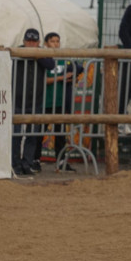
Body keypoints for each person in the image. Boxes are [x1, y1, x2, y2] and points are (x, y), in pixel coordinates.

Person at [12, 29, 54, 177]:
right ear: (23, 41)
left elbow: (51, 65)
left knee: (33, 135)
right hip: (17, 101)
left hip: (36, 100)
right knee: (15, 135)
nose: (31, 44)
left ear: (38, 42)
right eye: (28, 41)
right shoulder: (15, 52)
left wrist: (36, 55)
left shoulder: (41, 53)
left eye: (34, 41)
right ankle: (15, 164)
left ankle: (27, 163)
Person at [42, 31, 82, 173]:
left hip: (59, 102)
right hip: (45, 102)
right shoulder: (43, 58)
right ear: (46, 43)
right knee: (39, 132)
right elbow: (43, 81)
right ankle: (33, 161)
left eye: (57, 41)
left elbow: (76, 70)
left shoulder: (64, 59)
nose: (56, 44)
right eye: (52, 41)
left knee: (60, 135)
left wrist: (72, 77)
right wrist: (61, 78)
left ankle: (61, 162)